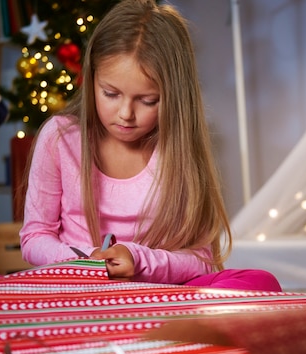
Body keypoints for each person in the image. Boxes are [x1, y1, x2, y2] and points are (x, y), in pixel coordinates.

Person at [18, 0, 281, 292]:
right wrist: (83, 264)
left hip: (154, 290)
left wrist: (139, 260)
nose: (126, 114)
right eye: (110, 93)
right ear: (91, 78)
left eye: (147, 101)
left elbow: (202, 259)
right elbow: (35, 237)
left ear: (174, 96)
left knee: (259, 282)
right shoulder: (60, 137)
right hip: (74, 289)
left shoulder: (177, 148)